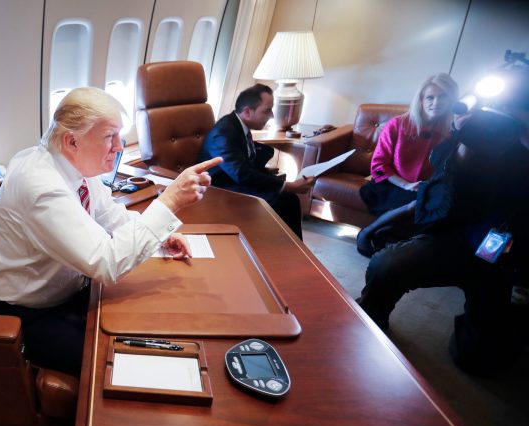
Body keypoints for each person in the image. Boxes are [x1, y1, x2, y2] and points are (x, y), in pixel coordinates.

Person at [0, 87, 222, 377]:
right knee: (115, 363)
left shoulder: (70, 165)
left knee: (144, 321)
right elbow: (105, 263)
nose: (118, 146)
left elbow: (109, 214)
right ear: (72, 141)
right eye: (108, 137)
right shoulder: (41, 187)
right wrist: (169, 202)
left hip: (66, 291)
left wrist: (161, 235)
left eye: (118, 136)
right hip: (22, 312)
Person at [356, 66, 529, 375]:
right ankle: (369, 319)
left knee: (478, 359)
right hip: (457, 238)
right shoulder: (472, 138)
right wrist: (466, 143)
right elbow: (441, 192)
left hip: (502, 257)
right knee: (387, 265)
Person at [356, 73, 460, 256]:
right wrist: (407, 184)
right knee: (416, 203)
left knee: (441, 207)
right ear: (420, 100)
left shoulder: (451, 130)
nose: (436, 103)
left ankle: (384, 236)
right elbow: (379, 164)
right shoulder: (398, 124)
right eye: (430, 97)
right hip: (393, 183)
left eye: (443, 97)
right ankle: (367, 232)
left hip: (426, 187)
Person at [196, 84, 314, 239]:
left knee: (287, 199)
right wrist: (289, 186)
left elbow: (246, 165)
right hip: (219, 188)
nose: (271, 115)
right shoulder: (223, 133)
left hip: (234, 181)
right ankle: (287, 250)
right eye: (266, 110)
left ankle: (288, 249)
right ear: (246, 112)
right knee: (285, 201)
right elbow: (241, 173)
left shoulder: (240, 126)